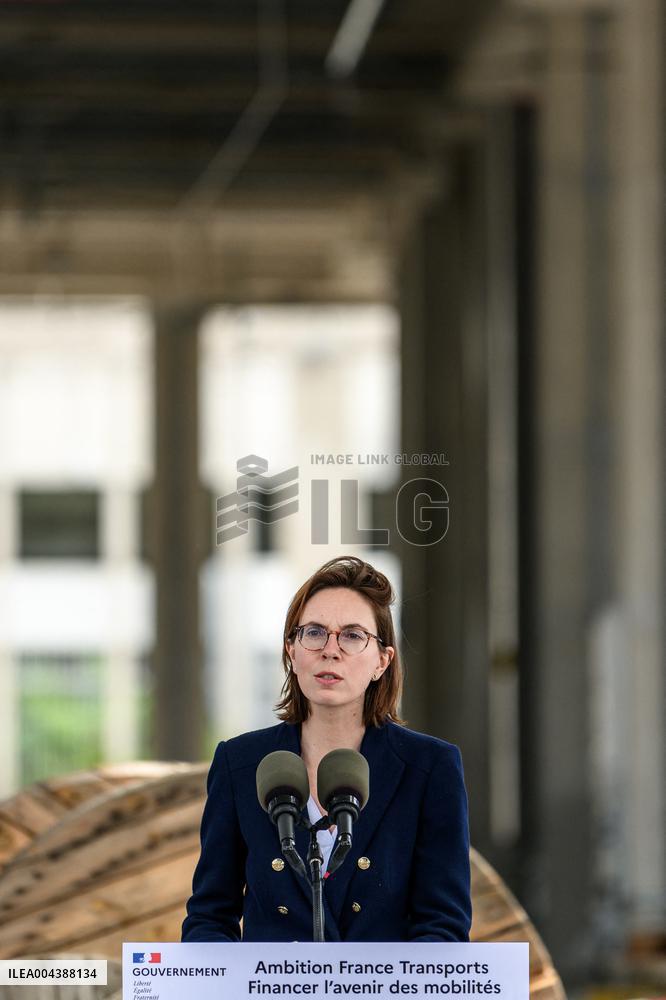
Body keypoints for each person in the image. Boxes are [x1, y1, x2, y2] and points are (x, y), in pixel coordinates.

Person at [181, 555, 472, 943]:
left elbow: (444, 926)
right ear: (291, 651)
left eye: (352, 636)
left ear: (382, 661)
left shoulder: (430, 767)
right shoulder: (240, 764)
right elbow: (210, 917)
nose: (330, 650)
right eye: (314, 632)